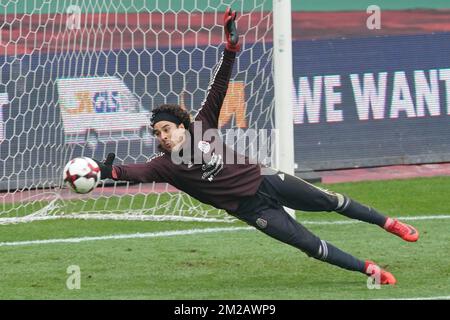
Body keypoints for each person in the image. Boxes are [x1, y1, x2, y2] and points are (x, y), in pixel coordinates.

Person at [95, 8, 418, 285]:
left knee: (330, 200)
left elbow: (219, 85)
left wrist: (231, 48)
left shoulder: (202, 125)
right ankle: (370, 269)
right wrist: (104, 170)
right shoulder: (164, 165)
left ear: (181, 125)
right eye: (157, 133)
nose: (162, 136)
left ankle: (389, 223)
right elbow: (129, 172)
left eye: (166, 129)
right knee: (309, 245)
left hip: (266, 178)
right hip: (253, 210)